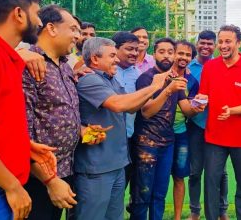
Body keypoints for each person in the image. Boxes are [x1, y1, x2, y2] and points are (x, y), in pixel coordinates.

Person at [73, 37, 168, 220]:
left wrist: (163, 90)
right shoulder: (89, 80)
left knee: (114, 216)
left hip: (117, 163)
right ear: (95, 59)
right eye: (112, 56)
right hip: (97, 168)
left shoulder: (111, 79)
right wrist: (154, 86)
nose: (117, 59)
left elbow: (131, 106)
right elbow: (118, 104)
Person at [0, 0, 54, 220]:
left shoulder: (7, 57)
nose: (39, 22)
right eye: (37, 13)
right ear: (19, 13)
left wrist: (23, 144)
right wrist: (13, 187)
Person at [130, 38, 205, 220]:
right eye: (162, 51)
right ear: (154, 53)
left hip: (168, 142)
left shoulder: (176, 80)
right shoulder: (146, 78)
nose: (166, 55)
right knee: (143, 194)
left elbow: (186, 110)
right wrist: (167, 90)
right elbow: (147, 112)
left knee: (160, 194)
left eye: (170, 52)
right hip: (146, 143)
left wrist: (197, 107)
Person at [197, 25, 241, 220]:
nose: (223, 45)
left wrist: (232, 110)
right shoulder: (210, 66)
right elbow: (204, 94)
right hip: (214, 136)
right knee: (211, 183)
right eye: (221, 41)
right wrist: (198, 102)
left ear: (238, 43)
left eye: (228, 41)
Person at [22, 5, 82, 220]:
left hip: (64, 169)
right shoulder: (30, 64)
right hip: (37, 179)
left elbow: (55, 113)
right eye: (73, 29)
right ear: (51, 28)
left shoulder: (65, 65)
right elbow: (21, 134)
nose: (78, 35)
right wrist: (50, 181)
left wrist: (80, 129)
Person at [186, 30, 229, 220]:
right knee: (195, 171)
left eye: (210, 43)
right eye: (202, 43)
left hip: (218, 125)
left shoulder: (223, 66)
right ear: (196, 44)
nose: (205, 47)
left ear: (216, 46)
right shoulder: (188, 67)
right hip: (196, 125)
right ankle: (195, 210)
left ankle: (222, 210)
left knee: (220, 171)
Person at [170, 40, 198, 220]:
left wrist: (198, 106)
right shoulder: (160, 75)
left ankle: (178, 217)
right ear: (173, 53)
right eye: (180, 53)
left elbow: (191, 110)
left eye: (188, 55)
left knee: (179, 177)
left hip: (180, 133)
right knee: (156, 178)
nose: (183, 57)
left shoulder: (192, 80)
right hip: (156, 134)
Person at [111, 31, 141, 187]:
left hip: (129, 136)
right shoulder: (104, 71)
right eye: (129, 49)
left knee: (124, 181)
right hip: (106, 137)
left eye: (136, 50)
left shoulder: (139, 74)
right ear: (115, 49)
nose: (134, 53)